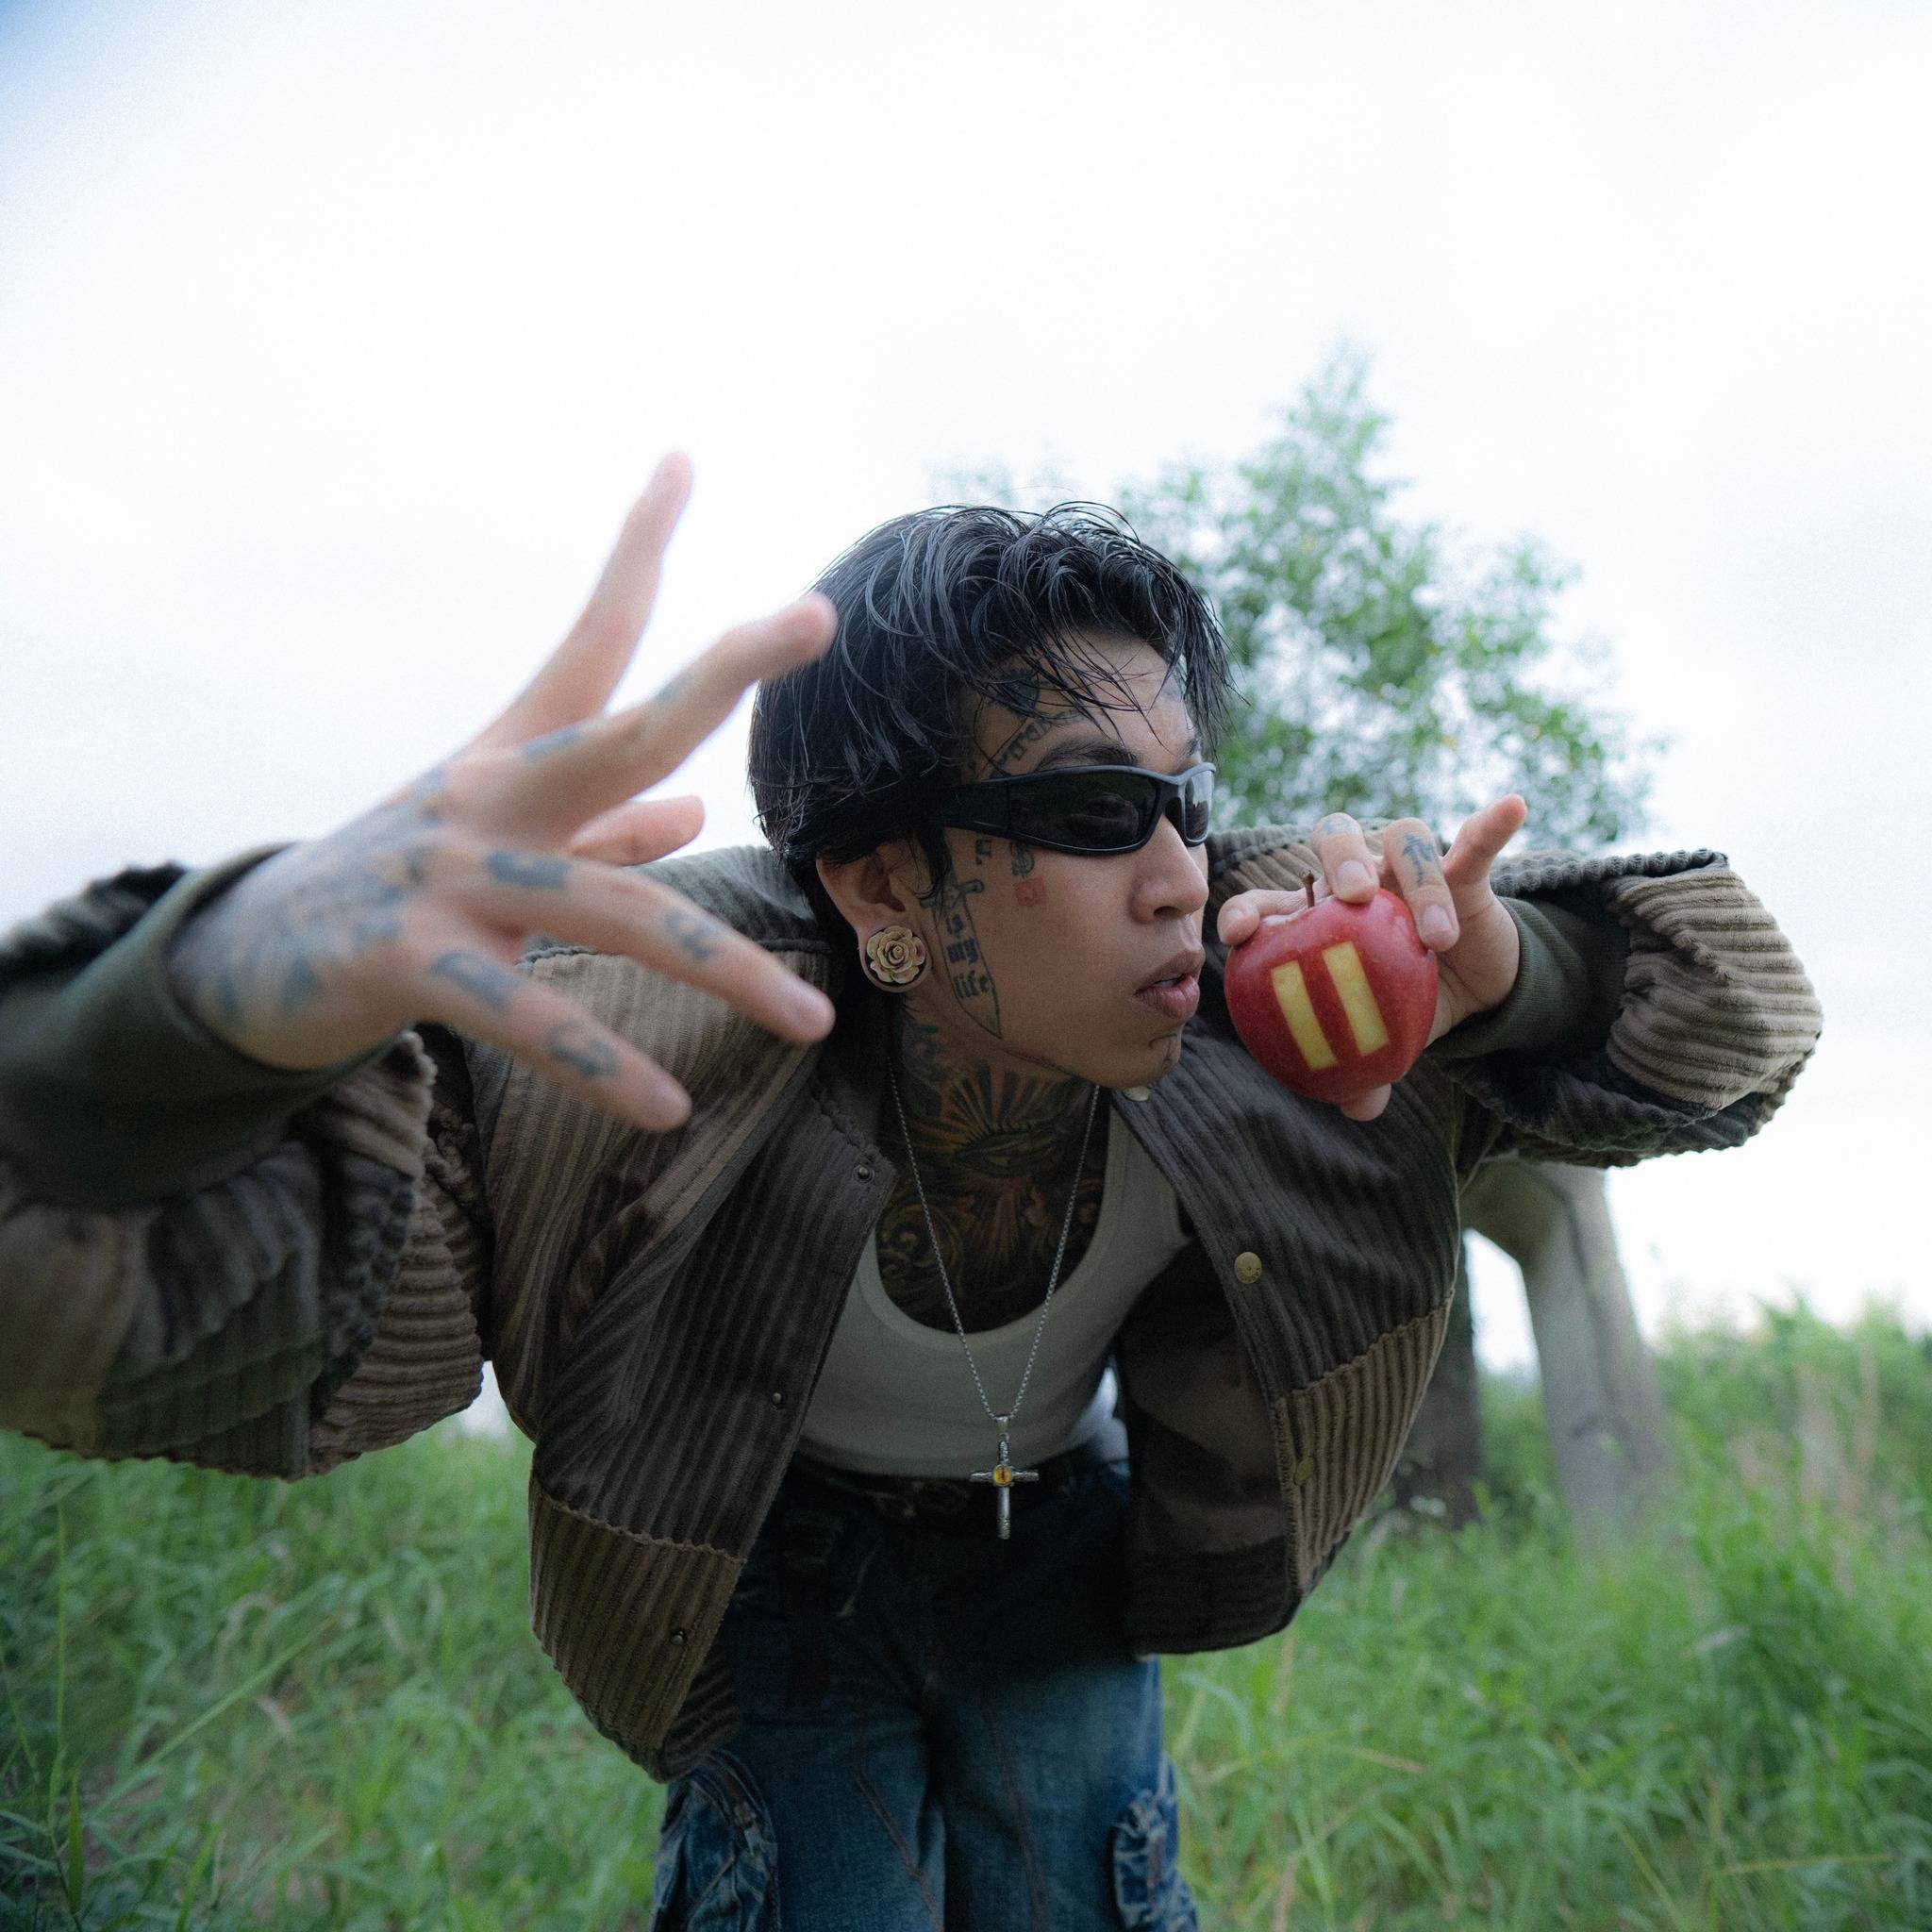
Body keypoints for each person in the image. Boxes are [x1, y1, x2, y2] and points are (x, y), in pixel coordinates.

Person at [0, 453, 1823, 1929]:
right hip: (764, 1549)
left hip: (1071, 1539)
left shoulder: (1275, 986)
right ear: (878, 887)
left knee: (1087, 1892)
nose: (1178, 873)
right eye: (1094, 815)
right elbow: (161, 1321)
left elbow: (1742, 1030)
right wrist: (185, 1004)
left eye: (1187, 803)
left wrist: (1518, 981)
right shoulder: (633, 1031)